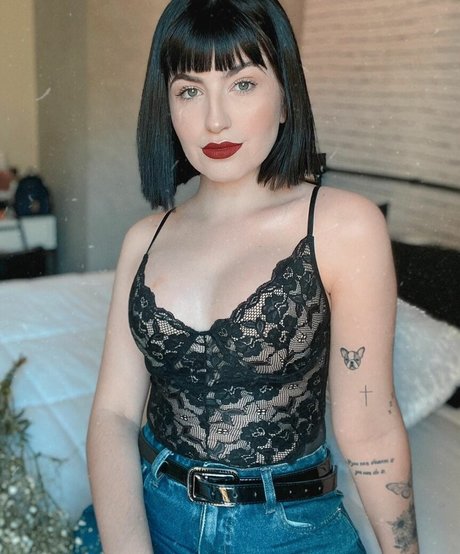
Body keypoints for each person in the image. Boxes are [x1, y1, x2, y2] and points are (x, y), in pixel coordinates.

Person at [75, 1, 419, 552]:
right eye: (190, 90)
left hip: (289, 530)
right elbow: (114, 415)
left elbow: (370, 427)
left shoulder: (343, 226)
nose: (215, 119)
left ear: (285, 97)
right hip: (154, 514)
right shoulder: (145, 238)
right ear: (167, 106)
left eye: (242, 84)